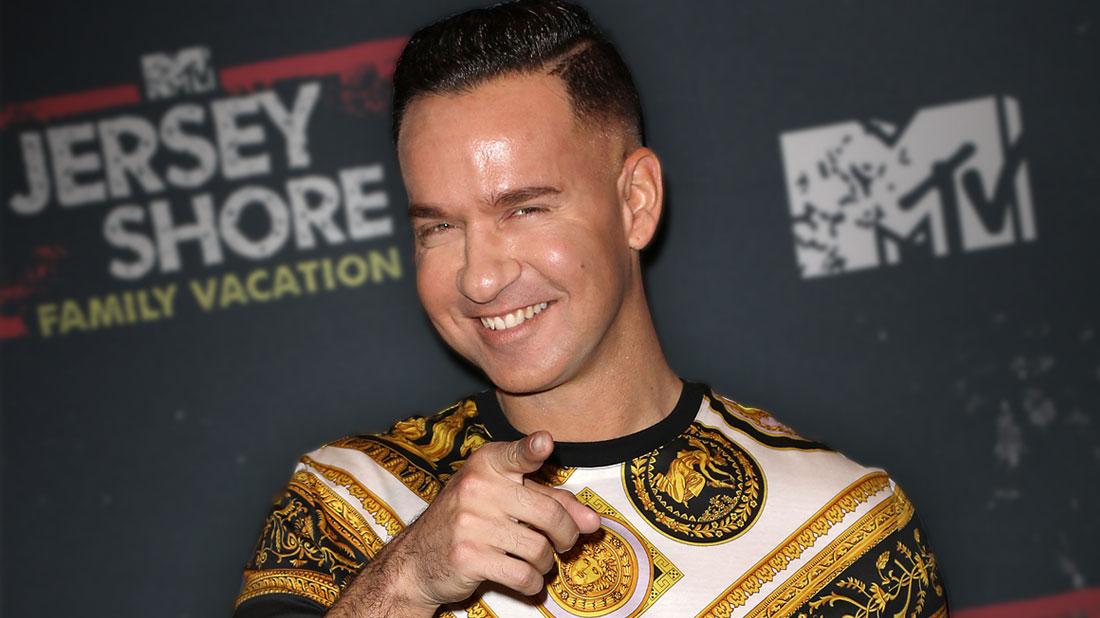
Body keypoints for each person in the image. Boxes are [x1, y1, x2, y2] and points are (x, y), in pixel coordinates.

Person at [233, 2, 949, 616]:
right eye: (438, 228)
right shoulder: (352, 503)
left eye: (524, 209)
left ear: (634, 202)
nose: (480, 277)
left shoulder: (845, 531)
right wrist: (407, 580)